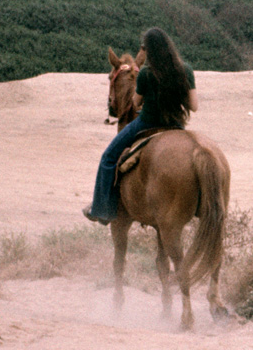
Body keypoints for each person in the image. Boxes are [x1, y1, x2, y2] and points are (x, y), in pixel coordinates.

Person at [83, 28, 198, 224]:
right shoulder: (185, 70)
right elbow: (193, 106)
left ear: (150, 51)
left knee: (108, 157)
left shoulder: (146, 73)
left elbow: (135, 103)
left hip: (147, 122)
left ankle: (101, 209)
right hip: (177, 125)